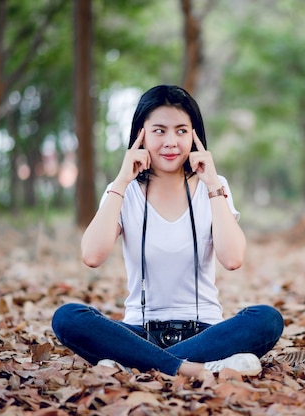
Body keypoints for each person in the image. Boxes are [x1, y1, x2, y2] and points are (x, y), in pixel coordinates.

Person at [52, 85, 283, 377]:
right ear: (141, 135)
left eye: (182, 131)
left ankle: (136, 364)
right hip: (139, 331)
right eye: (159, 131)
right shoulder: (124, 191)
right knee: (68, 317)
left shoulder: (214, 186)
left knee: (267, 319)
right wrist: (122, 181)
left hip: (205, 332)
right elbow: (92, 255)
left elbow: (233, 258)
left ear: (195, 136)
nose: (171, 142)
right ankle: (198, 367)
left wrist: (213, 186)